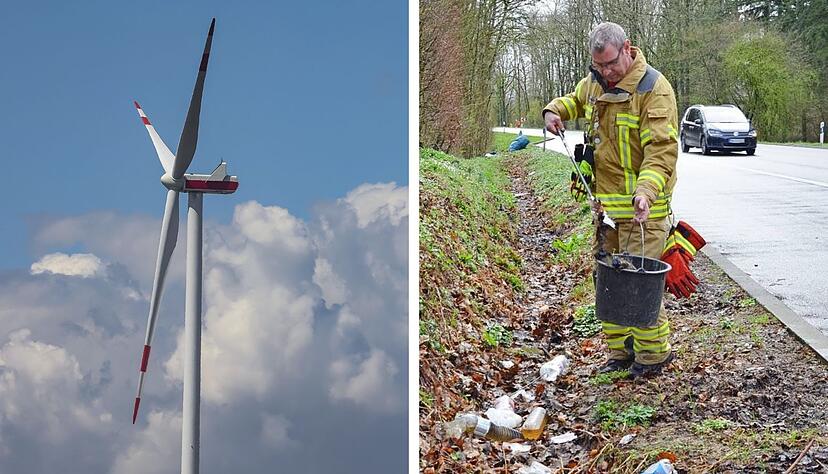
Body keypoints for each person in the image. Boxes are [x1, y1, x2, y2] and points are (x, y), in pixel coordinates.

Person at [542, 22, 679, 378]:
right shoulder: (595, 83)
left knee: (638, 285)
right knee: (607, 281)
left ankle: (652, 357)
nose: (606, 73)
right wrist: (553, 111)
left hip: (643, 213)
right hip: (605, 212)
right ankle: (619, 354)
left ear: (627, 49)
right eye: (599, 66)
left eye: (611, 65)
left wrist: (645, 192)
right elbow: (574, 100)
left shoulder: (653, 89)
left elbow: (662, 151)